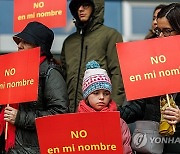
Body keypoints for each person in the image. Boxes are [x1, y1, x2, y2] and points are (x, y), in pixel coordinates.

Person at [0, 21, 69, 153]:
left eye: (25, 42)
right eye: (19, 41)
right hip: (11, 148)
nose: (19, 46)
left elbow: (59, 115)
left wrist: (20, 117)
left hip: (34, 149)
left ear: (39, 47)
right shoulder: (13, 71)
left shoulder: (50, 73)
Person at [119, 3, 180, 154]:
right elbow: (139, 106)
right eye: (158, 31)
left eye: (167, 31)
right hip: (154, 143)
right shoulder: (153, 61)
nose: (160, 36)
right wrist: (111, 113)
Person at [60, 0, 125, 112]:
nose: (80, 9)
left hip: (101, 112)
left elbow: (118, 74)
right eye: (77, 6)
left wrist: (114, 108)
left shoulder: (111, 35)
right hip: (71, 112)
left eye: (85, 5)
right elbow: (63, 78)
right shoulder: (69, 42)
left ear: (96, 7)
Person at [77, 60, 132, 154]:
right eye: (96, 93)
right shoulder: (76, 122)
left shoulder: (119, 123)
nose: (102, 97)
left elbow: (126, 149)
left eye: (106, 93)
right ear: (87, 96)